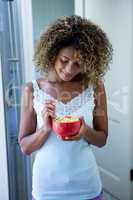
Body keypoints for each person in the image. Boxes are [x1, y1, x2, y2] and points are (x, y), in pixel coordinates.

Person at [18, 15, 113, 200]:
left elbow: (102, 140)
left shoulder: (95, 87)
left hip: (87, 186)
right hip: (47, 188)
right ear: (52, 54)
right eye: (64, 60)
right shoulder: (32, 89)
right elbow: (25, 148)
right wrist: (45, 129)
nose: (69, 69)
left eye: (78, 64)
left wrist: (85, 130)